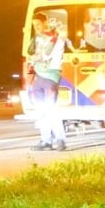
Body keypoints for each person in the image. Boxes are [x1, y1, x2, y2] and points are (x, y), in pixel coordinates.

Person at [25, 9, 69, 151]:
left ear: (45, 23)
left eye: (38, 24)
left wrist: (36, 58)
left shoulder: (56, 38)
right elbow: (33, 54)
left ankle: (60, 140)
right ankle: (46, 141)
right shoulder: (38, 38)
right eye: (34, 25)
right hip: (39, 76)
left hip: (50, 76)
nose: (36, 28)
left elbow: (44, 55)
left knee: (51, 109)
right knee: (41, 110)